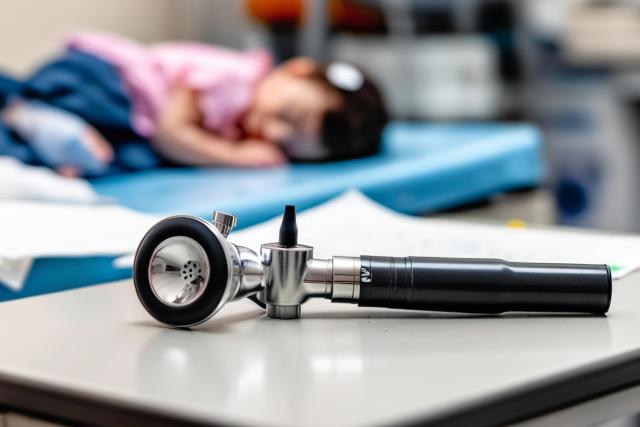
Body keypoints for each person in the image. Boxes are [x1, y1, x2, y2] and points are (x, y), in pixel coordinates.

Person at [0, 33, 388, 176]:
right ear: (294, 71)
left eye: (287, 144)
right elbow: (171, 134)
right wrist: (235, 157)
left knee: (132, 159)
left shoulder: (247, 113)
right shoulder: (235, 80)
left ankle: (35, 131)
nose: (271, 133)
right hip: (106, 82)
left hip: (131, 126)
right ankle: (24, 110)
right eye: (287, 115)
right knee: (162, 149)